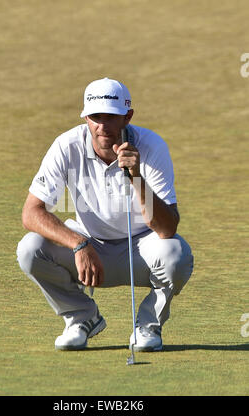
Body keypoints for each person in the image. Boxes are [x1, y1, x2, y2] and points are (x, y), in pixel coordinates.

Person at [16, 77, 194, 352]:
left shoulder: (151, 145)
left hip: (141, 249)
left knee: (176, 254)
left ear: (127, 117)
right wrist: (78, 243)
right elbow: (31, 213)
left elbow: (166, 228)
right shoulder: (66, 145)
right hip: (89, 245)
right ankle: (81, 318)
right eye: (95, 117)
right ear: (86, 118)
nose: (102, 126)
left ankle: (148, 325)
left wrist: (136, 177)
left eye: (111, 117)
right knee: (30, 248)